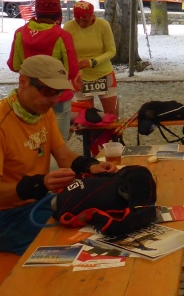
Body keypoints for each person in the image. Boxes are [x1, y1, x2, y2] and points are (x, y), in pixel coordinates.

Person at [0, 55, 117, 255]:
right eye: (48, 91)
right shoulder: (4, 122)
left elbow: (63, 155)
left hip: (37, 203)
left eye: (59, 92)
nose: (54, 100)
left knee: (100, 222)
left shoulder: (43, 112)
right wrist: (40, 184)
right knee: (75, 243)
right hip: (6, 217)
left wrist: (91, 166)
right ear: (23, 81)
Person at [7, 0, 79, 140]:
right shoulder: (62, 35)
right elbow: (72, 71)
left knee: (32, 143)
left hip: (30, 96)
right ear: (58, 13)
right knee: (57, 143)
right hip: (57, 97)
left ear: (37, 11)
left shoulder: (20, 33)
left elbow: (14, 65)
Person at [63, 1, 118, 116]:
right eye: (78, 20)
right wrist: (75, 69)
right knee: (86, 115)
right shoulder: (68, 26)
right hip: (80, 76)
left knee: (111, 114)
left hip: (103, 73)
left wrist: (93, 62)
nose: (81, 23)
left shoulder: (103, 25)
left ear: (93, 16)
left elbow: (111, 51)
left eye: (85, 20)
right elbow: (66, 52)